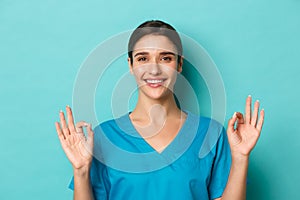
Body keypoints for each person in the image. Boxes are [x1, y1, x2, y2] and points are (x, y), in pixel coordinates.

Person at [55, 20, 265, 200]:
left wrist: (240, 157)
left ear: (179, 65)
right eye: (143, 58)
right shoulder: (104, 137)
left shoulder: (210, 133)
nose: (154, 69)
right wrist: (81, 171)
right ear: (131, 65)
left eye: (166, 58)